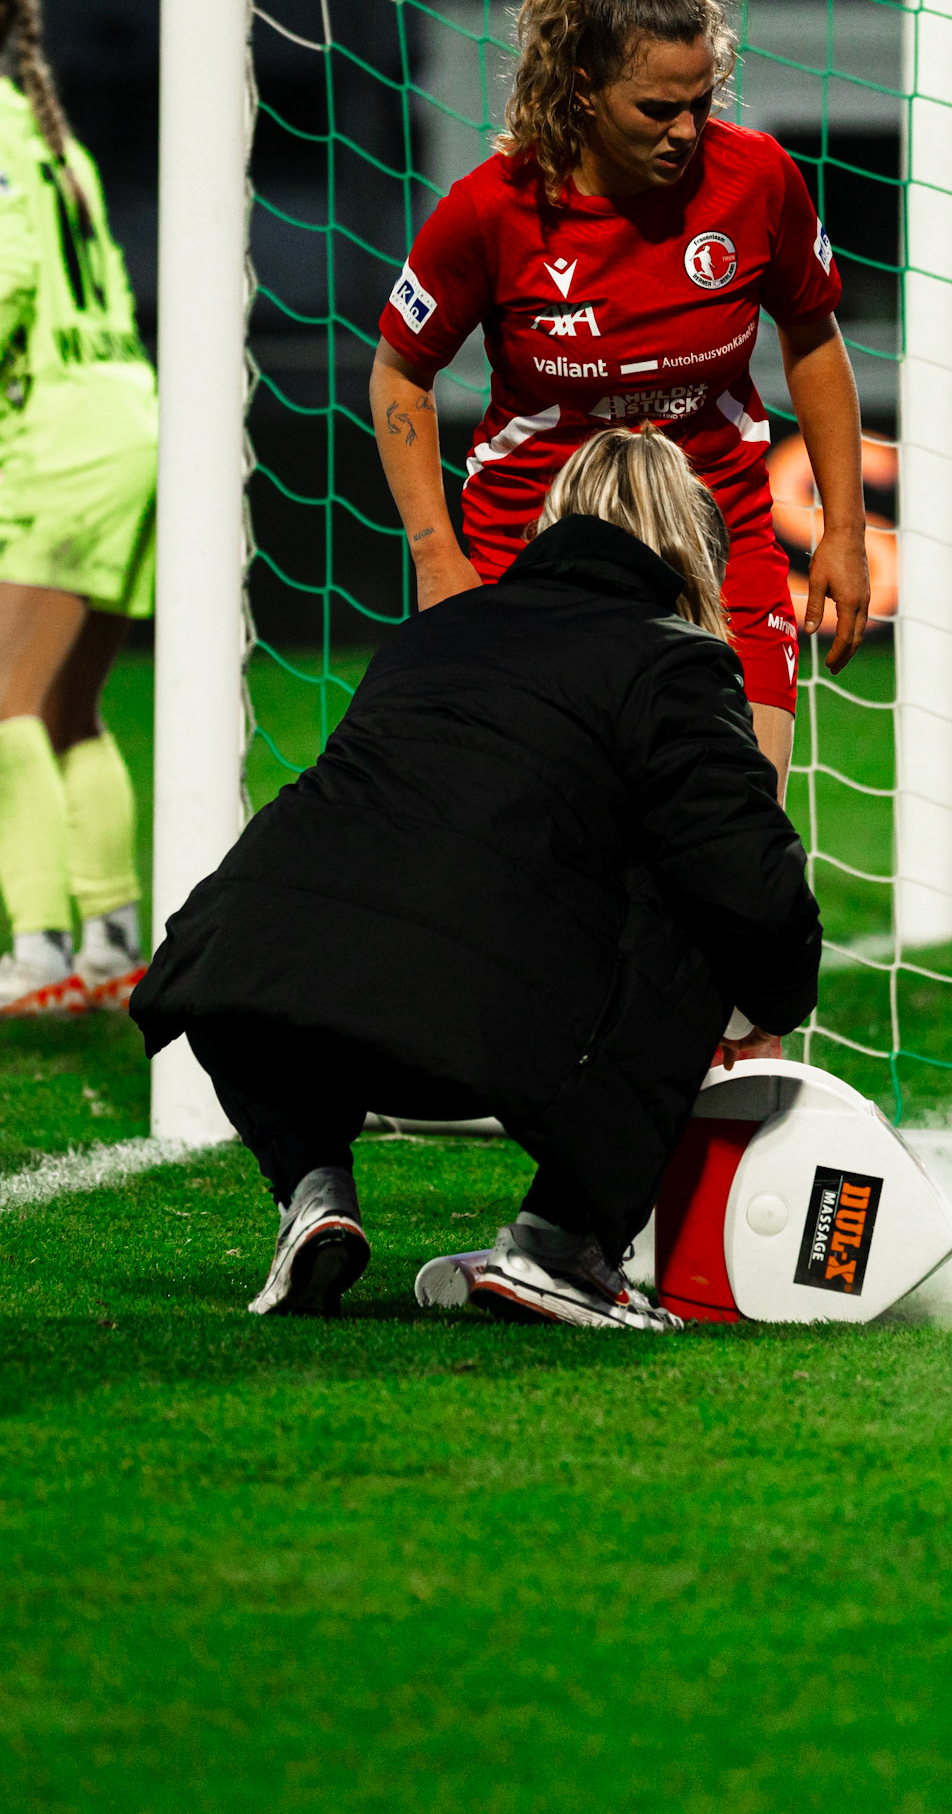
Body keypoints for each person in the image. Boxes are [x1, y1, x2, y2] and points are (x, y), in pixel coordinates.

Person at [130, 425, 822, 1329]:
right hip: (480, 1039)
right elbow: (752, 890)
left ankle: (314, 1192)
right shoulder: (677, 660)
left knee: (281, 892)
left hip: (250, 992)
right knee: (703, 910)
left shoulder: (436, 632)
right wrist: (769, 1006)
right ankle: (561, 1246)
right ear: (693, 554)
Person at [370, 0, 870, 800]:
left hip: (719, 542)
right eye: (658, 108)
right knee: (544, 844)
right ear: (584, 86)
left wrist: (843, 529)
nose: (687, 131)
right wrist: (436, 556)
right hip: (528, 549)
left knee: (735, 830)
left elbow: (814, 339)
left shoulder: (758, 181)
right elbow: (400, 373)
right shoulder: (490, 212)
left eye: (703, 102)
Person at [0, 0, 152, 1018]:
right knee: (64, 703)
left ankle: (37, 948)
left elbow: (7, 277)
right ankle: (107, 938)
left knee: (4, 699)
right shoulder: (48, 132)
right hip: (125, 413)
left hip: (66, 429)